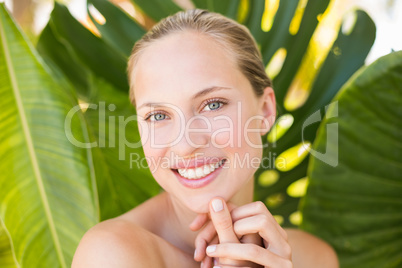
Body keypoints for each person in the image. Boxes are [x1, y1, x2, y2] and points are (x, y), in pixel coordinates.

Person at [72, 8, 339, 268]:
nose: (185, 145)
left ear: (266, 110)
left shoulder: (312, 259)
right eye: (158, 116)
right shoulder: (110, 255)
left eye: (213, 105)